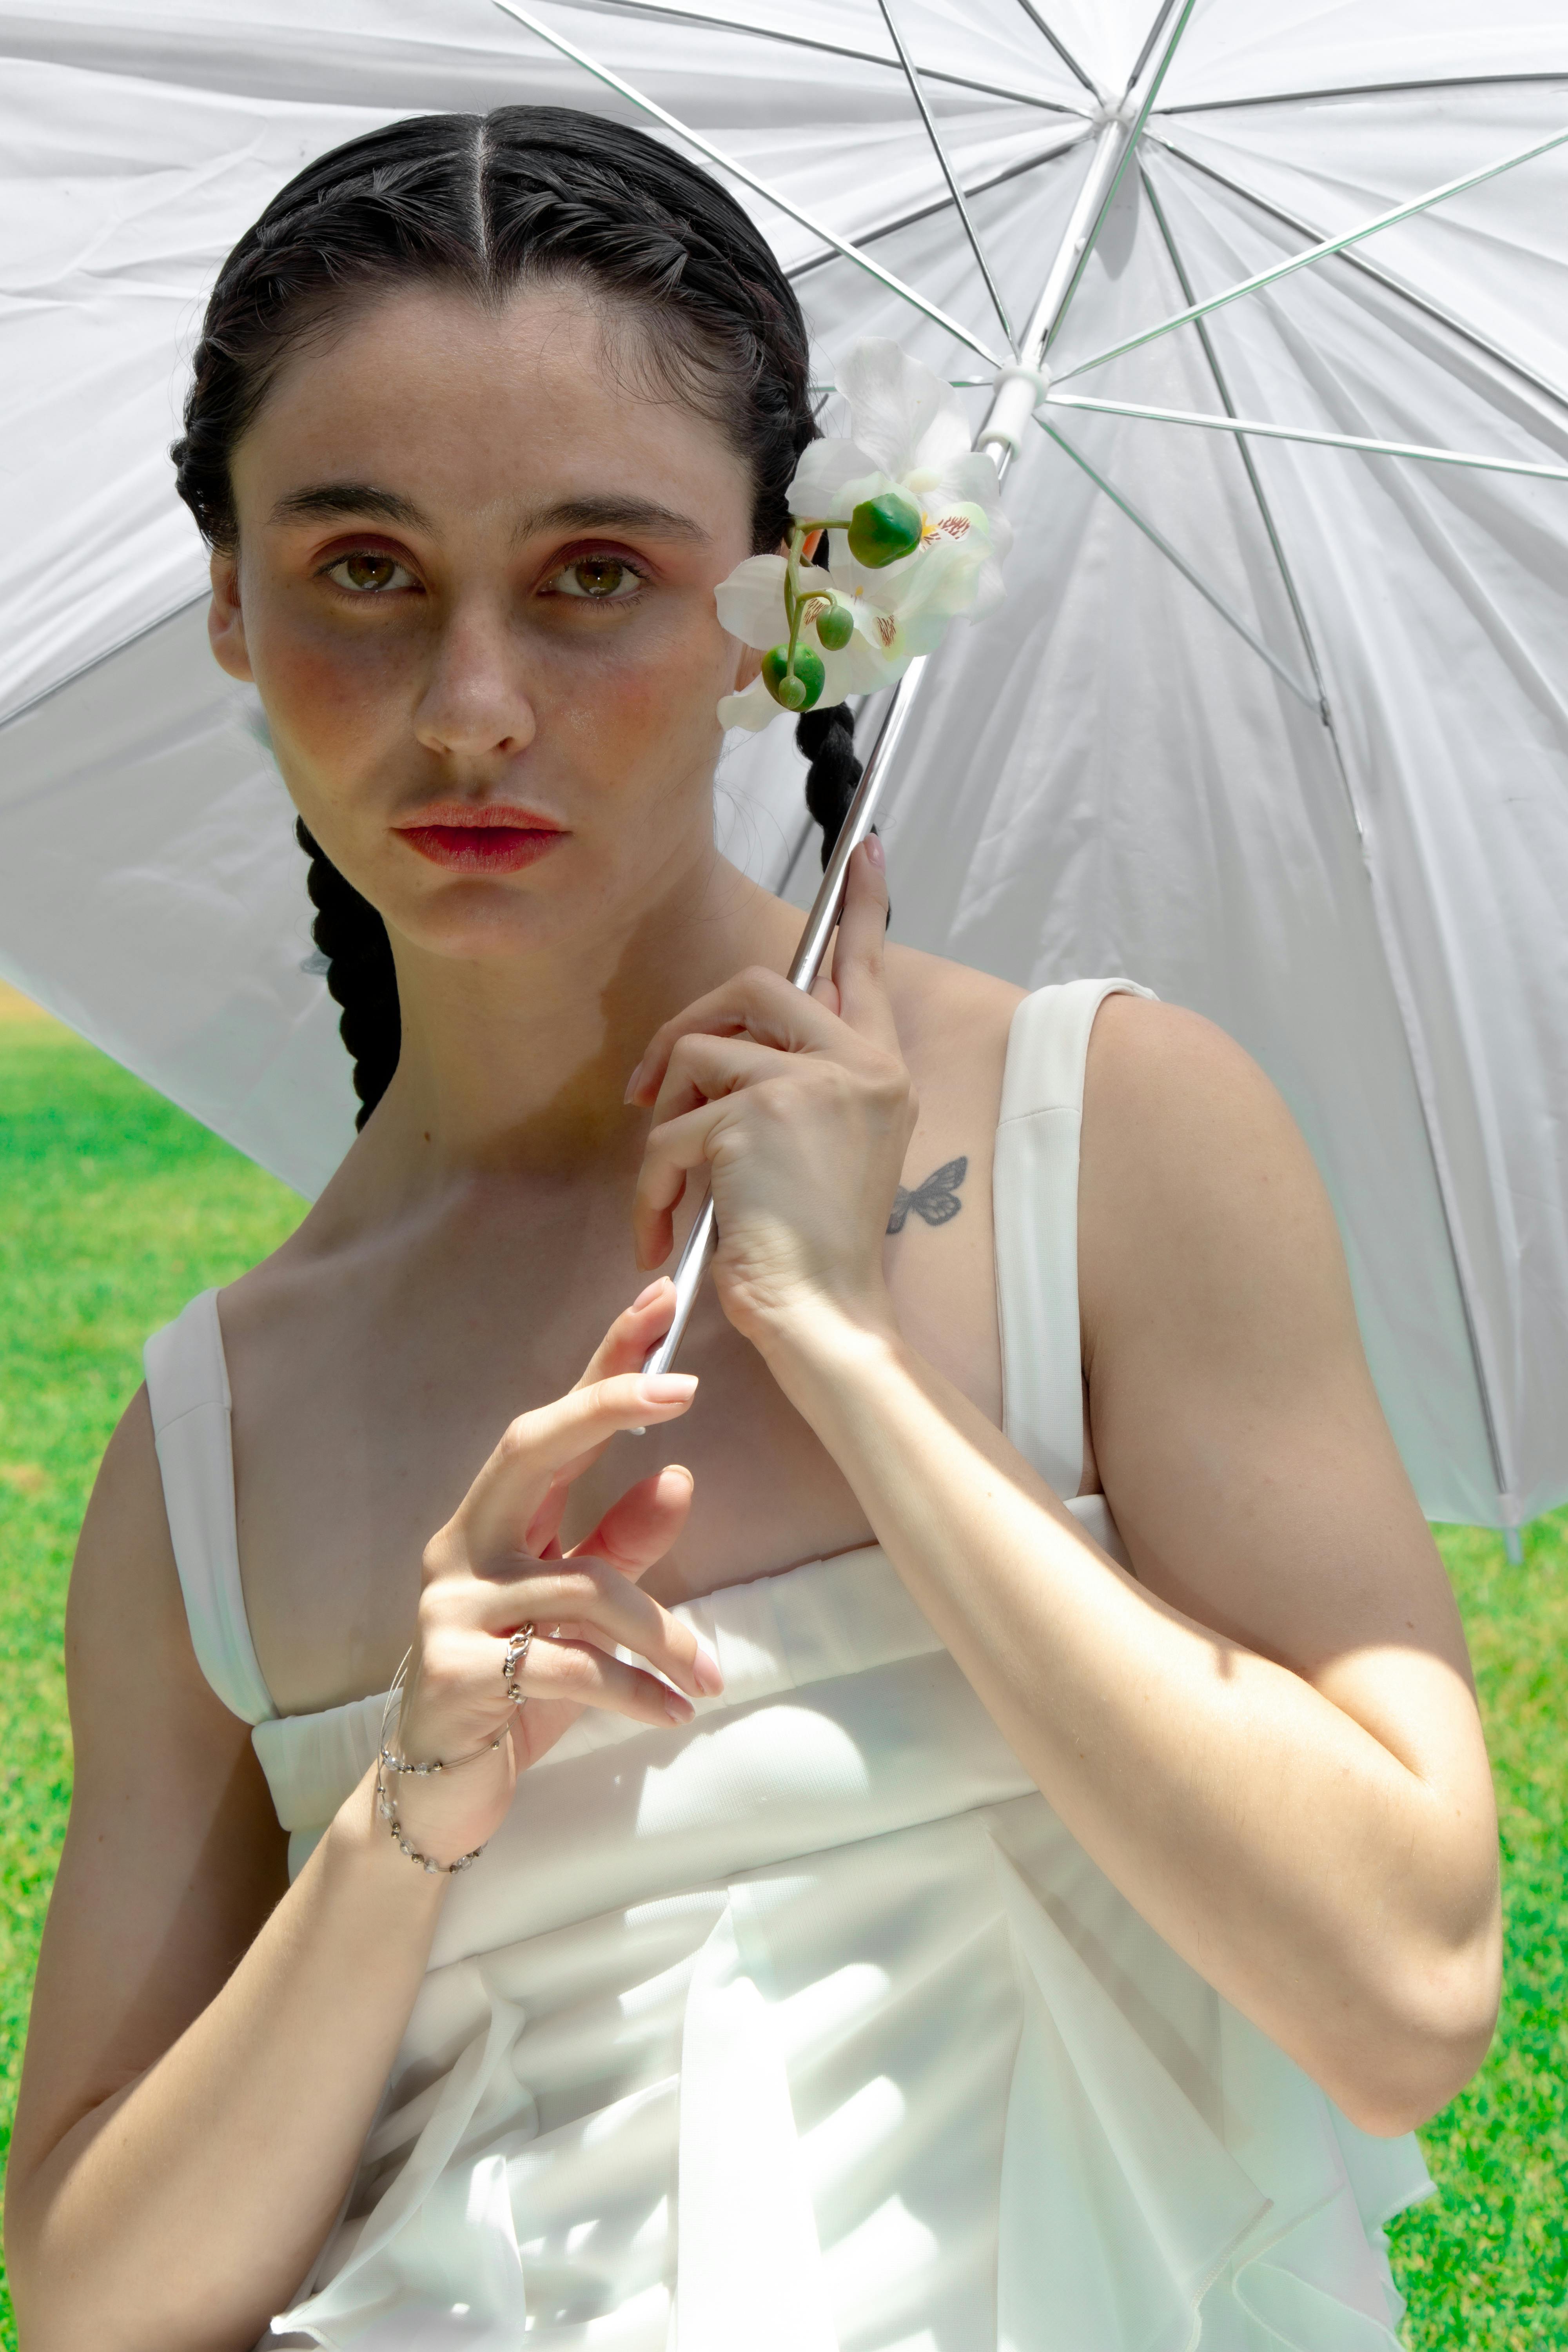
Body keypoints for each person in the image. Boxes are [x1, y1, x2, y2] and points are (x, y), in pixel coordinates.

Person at [4, 105, 1499, 2352]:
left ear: (786, 609)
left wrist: (865, 1370)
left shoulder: (1113, 1135)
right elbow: (104, 2295)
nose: (474, 702)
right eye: (363, 568)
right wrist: (405, 1815)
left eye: (597, 570)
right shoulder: (218, 1431)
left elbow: (1408, 1988)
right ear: (231, 600)